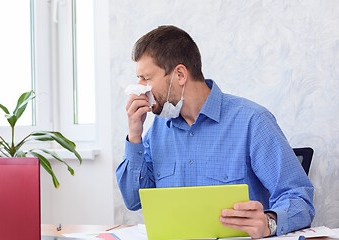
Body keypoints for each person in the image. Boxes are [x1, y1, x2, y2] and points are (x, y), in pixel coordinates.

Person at [116, 25, 315, 238]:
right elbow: (133, 201)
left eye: (146, 78)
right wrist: (134, 136)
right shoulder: (157, 130)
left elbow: (298, 198)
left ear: (180, 74)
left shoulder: (252, 121)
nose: (139, 88)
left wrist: (270, 222)